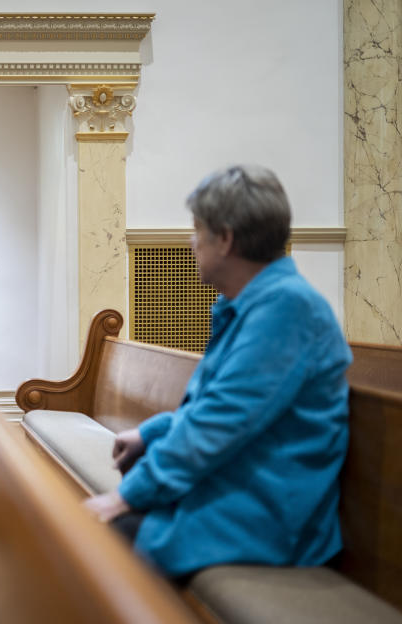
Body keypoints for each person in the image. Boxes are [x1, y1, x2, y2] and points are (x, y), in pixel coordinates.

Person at [85, 165, 352, 578]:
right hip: (238, 487)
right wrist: (151, 433)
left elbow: (221, 420)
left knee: (96, 542)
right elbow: (219, 406)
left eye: (197, 230)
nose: (191, 243)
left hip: (268, 513)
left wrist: (127, 497)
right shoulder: (252, 303)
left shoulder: (288, 309)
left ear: (225, 239)